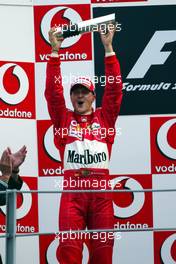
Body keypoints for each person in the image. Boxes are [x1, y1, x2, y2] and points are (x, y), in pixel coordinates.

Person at [45, 25, 123, 264]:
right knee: (68, 250)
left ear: (93, 96)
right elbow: (52, 93)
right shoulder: (63, 119)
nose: (79, 95)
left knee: (103, 253)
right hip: (73, 193)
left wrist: (108, 48)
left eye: (85, 91)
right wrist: (55, 52)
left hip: (101, 194)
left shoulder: (105, 118)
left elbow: (115, 90)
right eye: (75, 91)